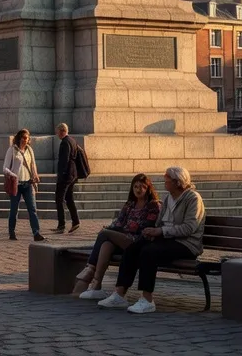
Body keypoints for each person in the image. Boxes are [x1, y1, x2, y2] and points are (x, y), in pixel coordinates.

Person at [97, 166, 205, 314]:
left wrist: (161, 231)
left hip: (186, 244)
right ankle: (119, 294)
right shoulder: (168, 198)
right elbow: (159, 222)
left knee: (149, 252)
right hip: (166, 239)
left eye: (167, 179)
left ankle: (147, 299)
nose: (164, 182)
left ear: (177, 182)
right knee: (133, 248)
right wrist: (152, 231)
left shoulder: (193, 198)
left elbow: (189, 228)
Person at [75, 174, 160, 299]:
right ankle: (96, 286)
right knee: (106, 244)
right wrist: (110, 228)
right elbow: (119, 223)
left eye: (142, 187)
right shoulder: (130, 204)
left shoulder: (153, 206)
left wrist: (113, 230)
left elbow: (145, 228)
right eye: (136, 187)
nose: (138, 190)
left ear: (148, 189)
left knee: (104, 234)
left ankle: (90, 267)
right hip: (124, 237)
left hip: (138, 241)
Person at [3, 129, 45, 242]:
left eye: (27, 138)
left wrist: (35, 176)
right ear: (19, 138)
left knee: (32, 209)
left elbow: (33, 165)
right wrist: (13, 175)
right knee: (14, 210)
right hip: (16, 184)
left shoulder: (29, 150)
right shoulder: (12, 150)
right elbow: (5, 168)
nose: (25, 140)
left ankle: (36, 233)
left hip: (28, 183)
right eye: (24, 138)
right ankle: (12, 231)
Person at [54, 123, 81, 234]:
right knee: (69, 198)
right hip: (73, 174)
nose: (57, 134)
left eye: (57, 132)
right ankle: (76, 221)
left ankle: (61, 225)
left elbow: (64, 160)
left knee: (59, 199)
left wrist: (61, 175)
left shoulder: (65, 142)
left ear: (62, 131)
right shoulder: (72, 140)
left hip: (66, 175)